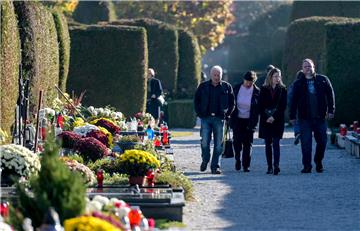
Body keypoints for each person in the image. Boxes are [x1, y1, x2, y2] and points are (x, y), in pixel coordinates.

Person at [289, 58, 335, 173]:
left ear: (314, 67)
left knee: (322, 141)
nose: (308, 68)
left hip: (320, 117)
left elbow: (330, 95)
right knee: (306, 143)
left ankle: (318, 162)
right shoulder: (298, 83)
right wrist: (292, 116)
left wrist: (331, 110)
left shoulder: (323, 80)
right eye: (305, 66)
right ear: (302, 69)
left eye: (309, 66)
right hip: (305, 118)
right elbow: (293, 100)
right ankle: (307, 166)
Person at [194, 65, 235, 174]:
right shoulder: (203, 86)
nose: (216, 77)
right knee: (204, 142)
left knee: (218, 144)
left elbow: (232, 103)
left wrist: (228, 114)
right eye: (215, 75)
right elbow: (196, 101)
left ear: (221, 75)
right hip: (206, 118)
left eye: (218, 75)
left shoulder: (227, 87)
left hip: (219, 119)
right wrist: (200, 114)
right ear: (211, 75)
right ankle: (205, 159)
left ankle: (215, 166)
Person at [230, 71, 260, 172]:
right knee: (237, 142)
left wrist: (255, 121)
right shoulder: (236, 88)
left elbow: (258, 108)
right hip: (237, 119)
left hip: (250, 120)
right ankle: (237, 159)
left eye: (251, 82)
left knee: (248, 144)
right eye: (247, 81)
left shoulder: (257, 91)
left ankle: (246, 165)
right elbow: (231, 102)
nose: (248, 84)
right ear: (244, 80)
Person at [259, 68, 287, 175]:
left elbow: (283, 106)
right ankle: (269, 166)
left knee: (276, 143)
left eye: (279, 76)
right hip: (266, 120)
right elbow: (260, 105)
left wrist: (274, 117)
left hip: (277, 120)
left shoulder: (283, 89)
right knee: (267, 144)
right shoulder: (264, 89)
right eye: (275, 76)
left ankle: (276, 165)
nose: (277, 78)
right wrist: (267, 116)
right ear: (270, 77)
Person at [287, 70, 303, 145]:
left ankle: (297, 133)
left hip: (295, 106)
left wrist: (290, 105)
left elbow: (289, 96)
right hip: (304, 106)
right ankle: (302, 133)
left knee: (296, 121)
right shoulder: (306, 84)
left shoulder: (293, 84)